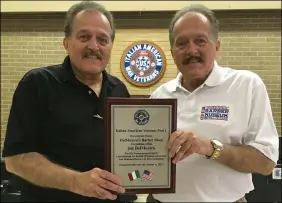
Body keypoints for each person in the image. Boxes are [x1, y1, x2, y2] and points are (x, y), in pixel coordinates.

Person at [2, 1, 137, 202]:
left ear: (110, 46)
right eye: (84, 37)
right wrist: (75, 182)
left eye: (102, 39)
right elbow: (15, 160)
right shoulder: (37, 83)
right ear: (66, 43)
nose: (94, 46)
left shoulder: (119, 90)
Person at [148, 4, 279, 203]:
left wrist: (210, 147)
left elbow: (267, 163)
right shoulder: (159, 95)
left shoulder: (246, 85)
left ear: (217, 46)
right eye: (181, 43)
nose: (191, 50)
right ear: (173, 51)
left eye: (200, 41)